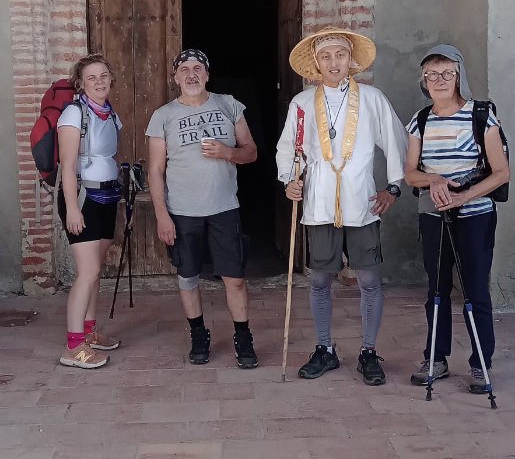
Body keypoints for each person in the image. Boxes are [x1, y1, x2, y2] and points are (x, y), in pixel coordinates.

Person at [276, 26, 408, 384]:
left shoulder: (372, 98)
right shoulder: (302, 103)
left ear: (351, 60)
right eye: (325, 56)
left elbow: (396, 141)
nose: (333, 62)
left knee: (368, 278)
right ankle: (325, 349)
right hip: (318, 201)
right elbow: (289, 147)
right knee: (320, 279)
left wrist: (393, 187)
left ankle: (368, 351)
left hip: (361, 201)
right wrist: (290, 180)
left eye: (339, 55)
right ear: (315, 63)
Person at [405, 45, 509, 393]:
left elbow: (501, 173)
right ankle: (436, 357)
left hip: (475, 214)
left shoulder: (481, 116)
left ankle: (481, 363)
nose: (439, 80)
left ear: (459, 76)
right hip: (433, 215)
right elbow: (410, 175)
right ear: (424, 80)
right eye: (432, 75)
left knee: (475, 287)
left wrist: (464, 196)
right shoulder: (420, 120)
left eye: (447, 73)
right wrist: (432, 179)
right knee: (436, 288)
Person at [146, 48, 259, 368]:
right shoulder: (163, 115)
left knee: (235, 278)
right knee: (188, 276)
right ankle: (198, 333)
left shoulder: (228, 104)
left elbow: (251, 152)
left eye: (197, 68)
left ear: (207, 74)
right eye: (184, 69)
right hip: (181, 211)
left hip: (224, 207)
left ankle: (242, 336)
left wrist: (228, 152)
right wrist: (162, 215)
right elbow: (155, 170)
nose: (191, 74)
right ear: (175, 78)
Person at [57, 54, 123, 369]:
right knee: (88, 273)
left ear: (111, 80)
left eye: (103, 76)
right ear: (81, 84)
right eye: (91, 78)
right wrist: (72, 209)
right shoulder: (73, 113)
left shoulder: (109, 114)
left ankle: (90, 332)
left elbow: (111, 158)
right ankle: (73, 347)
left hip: (108, 196)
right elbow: (68, 166)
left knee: (96, 271)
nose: (99, 82)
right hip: (83, 198)